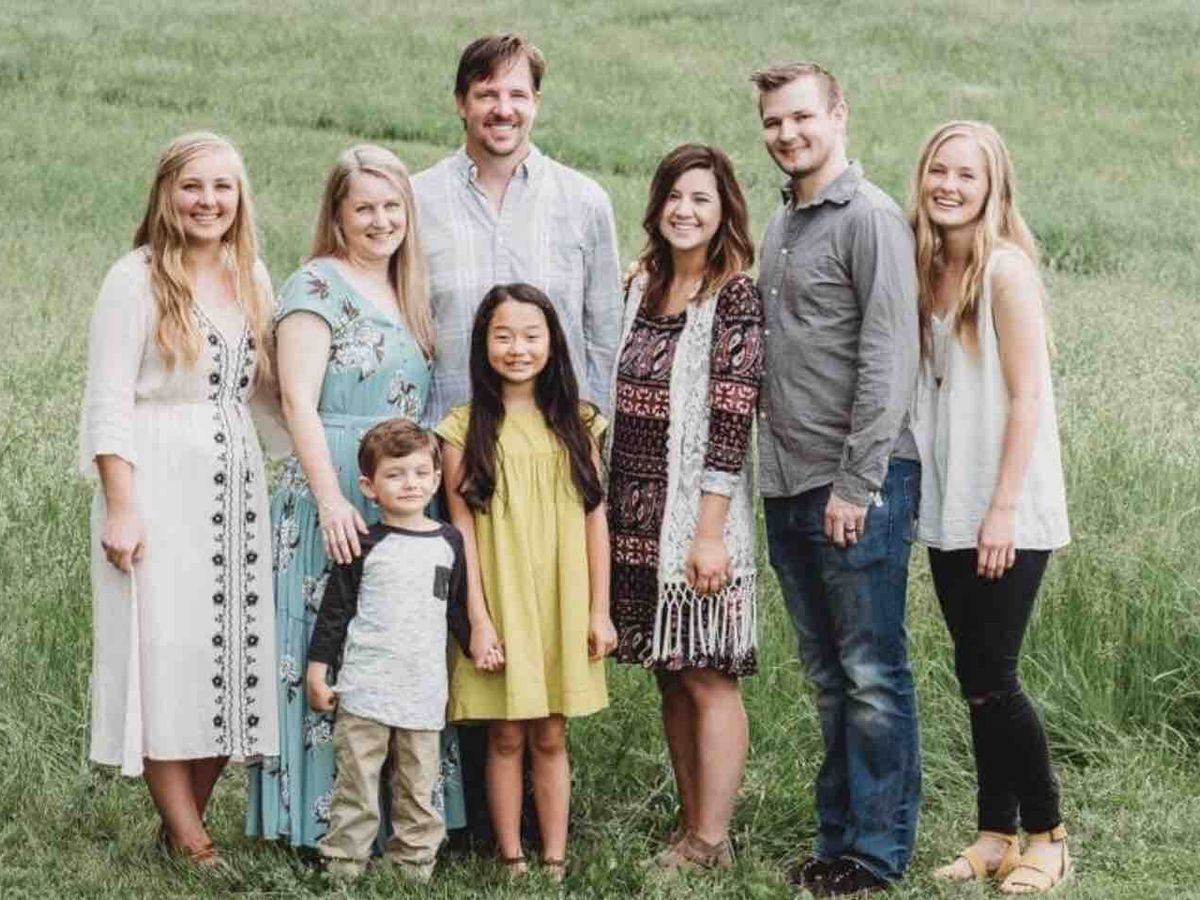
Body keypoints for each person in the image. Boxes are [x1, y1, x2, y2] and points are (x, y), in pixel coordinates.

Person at [245, 145, 465, 847]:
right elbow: (298, 403)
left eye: (392, 206)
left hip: (402, 493)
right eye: (364, 207)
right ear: (338, 214)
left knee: (397, 644)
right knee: (331, 642)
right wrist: (333, 499)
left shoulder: (409, 289)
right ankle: (319, 822)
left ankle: (406, 818)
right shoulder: (316, 286)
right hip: (335, 485)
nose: (380, 220)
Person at [80, 131, 278, 864]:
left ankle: (181, 820)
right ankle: (192, 838)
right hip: (156, 482)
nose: (208, 201)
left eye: (223, 187)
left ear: (240, 197)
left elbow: (270, 392)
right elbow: (108, 399)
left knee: (231, 649)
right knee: (164, 651)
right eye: (193, 186)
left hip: (237, 486)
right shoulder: (132, 280)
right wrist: (121, 504)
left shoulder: (251, 275)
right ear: (166, 193)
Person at [751, 63, 921, 896]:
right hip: (786, 484)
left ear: (838, 115)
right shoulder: (781, 226)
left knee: (871, 675)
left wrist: (856, 485)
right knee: (828, 679)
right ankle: (836, 841)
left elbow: (889, 359)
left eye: (801, 117)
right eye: (772, 122)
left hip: (857, 483)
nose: (787, 134)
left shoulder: (871, 218)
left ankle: (877, 855)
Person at [909, 121, 1071, 895]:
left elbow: (1029, 395)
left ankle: (1049, 836)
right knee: (972, 674)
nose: (948, 185)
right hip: (950, 503)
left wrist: (1002, 508)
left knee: (994, 674)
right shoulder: (926, 266)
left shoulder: (1005, 272)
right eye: (938, 170)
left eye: (965, 175)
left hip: (1007, 506)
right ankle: (993, 835)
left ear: (992, 187)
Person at [606, 144, 763, 871]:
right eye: (674, 195)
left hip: (697, 519)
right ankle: (691, 826)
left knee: (708, 672)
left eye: (701, 198)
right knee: (670, 668)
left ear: (724, 210)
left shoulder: (734, 297)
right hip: (635, 515)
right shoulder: (641, 286)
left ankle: (711, 836)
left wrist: (708, 534)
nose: (685, 210)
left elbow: (731, 419)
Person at [436, 283, 616, 880]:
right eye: (504, 336)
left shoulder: (579, 423)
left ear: (552, 343)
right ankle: (512, 856)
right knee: (506, 735)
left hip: (562, 598)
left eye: (532, 336)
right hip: (502, 599)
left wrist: (598, 610)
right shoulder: (461, 431)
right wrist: (478, 619)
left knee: (551, 734)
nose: (518, 349)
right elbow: (461, 533)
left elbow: (595, 521)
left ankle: (556, 856)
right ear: (483, 344)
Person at [412, 32, 622, 425]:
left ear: (535, 103)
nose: (503, 109)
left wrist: (591, 432)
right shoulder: (415, 201)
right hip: (446, 442)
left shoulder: (585, 202)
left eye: (517, 95)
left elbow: (604, 338)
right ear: (461, 102)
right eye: (487, 94)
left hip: (556, 442)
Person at [305, 420, 471, 882]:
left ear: (436, 479)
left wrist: (481, 647)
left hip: (423, 693)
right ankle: (344, 864)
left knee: (418, 787)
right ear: (369, 486)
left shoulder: (448, 542)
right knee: (356, 785)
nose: (410, 483)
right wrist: (318, 671)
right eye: (395, 475)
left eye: (420, 473)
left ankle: (413, 865)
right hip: (365, 691)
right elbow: (334, 613)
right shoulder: (364, 543)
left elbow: (457, 609)